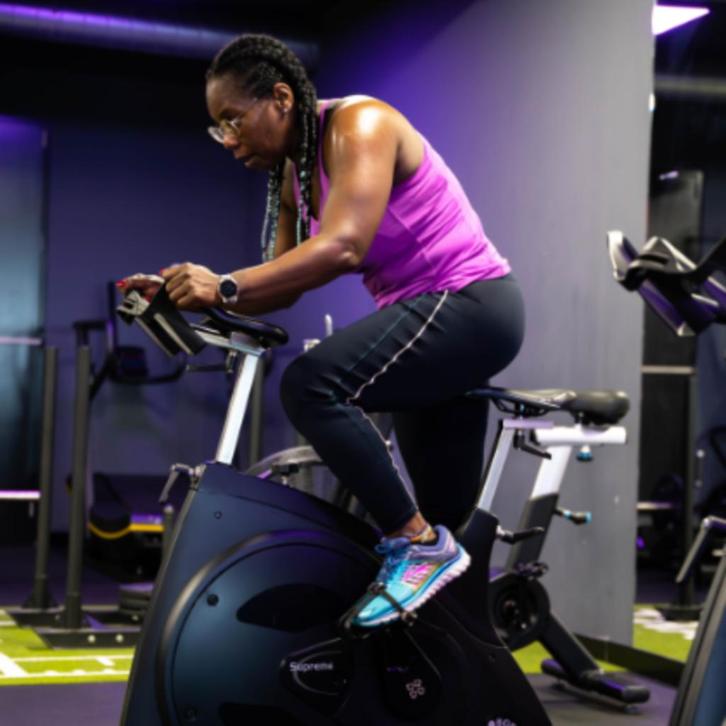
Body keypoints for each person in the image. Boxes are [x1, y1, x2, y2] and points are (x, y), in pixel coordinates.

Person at [119, 33, 525, 628]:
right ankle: (456, 649)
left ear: (281, 99)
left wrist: (222, 285)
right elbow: (281, 288)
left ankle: (414, 542)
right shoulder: (292, 177)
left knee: (311, 385)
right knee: (449, 537)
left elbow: (343, 246)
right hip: (429, 325)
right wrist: (186, 297)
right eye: (218, 128)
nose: (228, 140)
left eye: (234, 120)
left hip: (471, 304)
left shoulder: (360, 124)